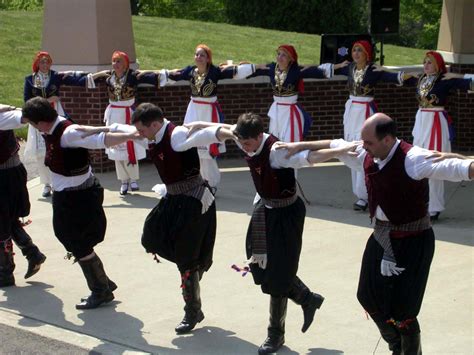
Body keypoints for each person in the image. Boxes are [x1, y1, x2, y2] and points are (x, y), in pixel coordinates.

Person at [277, 113, 474, 354]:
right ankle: (395, 343)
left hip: (415, 241)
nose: (362, 146)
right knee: (367, 296)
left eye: (369, 142)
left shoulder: (413, 159)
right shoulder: (366, 152)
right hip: (382, 237)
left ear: (388, 139)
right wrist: (299, 145)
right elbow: (335, 144)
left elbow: (458, 167)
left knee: (405, 310)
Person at [185, 113, 357, 354]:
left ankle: (275, 334)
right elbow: (221, 129)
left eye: (247, 143)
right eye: (241, 142)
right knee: (258, 263)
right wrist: (198, 125)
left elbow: (310, 157)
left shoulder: (276, 151)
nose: (244, 147)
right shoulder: (242, 135)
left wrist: (340, 151)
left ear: (259, 136)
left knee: (279, 274)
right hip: (264, 208)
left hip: (287, 214)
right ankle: (307, 298)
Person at [21, 97, 141, 309]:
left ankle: (100, 289)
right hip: (68, 195)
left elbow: (102, 139)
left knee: (77, 241)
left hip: (77, 198)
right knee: (71, 238)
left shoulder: (68, 133)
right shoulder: (55, 128)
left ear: (40, 122)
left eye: (32, 123)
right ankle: (102, 282)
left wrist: (133, 134)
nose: (33, 127)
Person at [128, 102, 220, 334]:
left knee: (185, 257)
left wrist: (232, 131)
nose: (140, 135)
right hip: (173, 197)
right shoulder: (154, 135)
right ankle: (194, 270)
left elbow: (207, 134)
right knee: (151, 236)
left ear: (156, 124)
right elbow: (119, 132)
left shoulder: (176, 135)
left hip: (194, 199)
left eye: (142, 130)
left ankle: (192, 311)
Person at [157, 44, 255, 192]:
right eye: (197, 54)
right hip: (193, 109)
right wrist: (154, 75)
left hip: (209, 111)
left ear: (208, 58)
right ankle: (197, 181)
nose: (198, 57)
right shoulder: (190, 71)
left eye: (202, 55)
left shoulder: (215, 71)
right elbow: (174, 75)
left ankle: (212, 184)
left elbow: (233, 72)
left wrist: (250, 67)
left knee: (207, 149)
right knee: (192, 145)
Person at [402, 51, 474, 220]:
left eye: (430, 62)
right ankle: (420, 203)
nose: (426, 65)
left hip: (435, 122)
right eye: (424, 62)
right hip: (420, 122)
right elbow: (397, 77)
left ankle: (434, 207)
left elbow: (468, 83)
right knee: (417, 161)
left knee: (434, 162)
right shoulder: (420, 79)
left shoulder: (444, 80)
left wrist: (457, 74)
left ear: (438, 65)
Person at [334, 40, 404, 211]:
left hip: (365, 111)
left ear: (367, 53)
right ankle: (360, 194)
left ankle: (367, 193)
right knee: (351, 147)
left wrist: (385, 69)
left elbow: (397, 77)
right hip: (351, 111)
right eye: (354, 50)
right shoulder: (349, 67)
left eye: (360, 50)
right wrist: (337, 65)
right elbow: (320, 69)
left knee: (366, 150)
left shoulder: (373, 70)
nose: (356, 53)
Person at [88, 50, 167, 195]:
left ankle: (133, 179)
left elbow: (148, 76)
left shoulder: (132, 76)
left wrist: (164, 74)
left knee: (132, 143)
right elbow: (88, 79)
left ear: (125, 64)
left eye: (119, 61)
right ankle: (123, 181)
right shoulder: (108, 76)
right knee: (116, 145)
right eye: (114, 61)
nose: (115, 64)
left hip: (128, 113)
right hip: (113, 114)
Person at [247, 44, 344, 144]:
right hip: (276, 111)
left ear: (291, 58)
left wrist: (339, 66)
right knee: (274, 138)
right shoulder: (272, 68)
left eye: (284, 55)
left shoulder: (296, 71)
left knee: (290, 139)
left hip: (290, 112)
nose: (280, 57)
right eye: (279, 54)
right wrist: (244, 67)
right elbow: (256, 70)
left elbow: (318, 71)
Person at [24, 51, 89, 197]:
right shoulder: (30, 80)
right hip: (38, 119)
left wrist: (92, 76)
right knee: (42, 153)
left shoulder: (55, 76)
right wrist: (48, 101)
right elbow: (27, 101)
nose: (45, 64)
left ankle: (56, 180)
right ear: (37, 64)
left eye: (47, 61)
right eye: (42, 62)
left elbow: (74, 79)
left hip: (54, 116)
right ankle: (46, 183)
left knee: (56, 148)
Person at [0, 104, 46, 287]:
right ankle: (33, 254)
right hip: (9, 175)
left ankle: (5, 274)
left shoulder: (3, 116)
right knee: (7, 221)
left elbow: (21, 117)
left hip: (6, 176)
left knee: (2, 224)